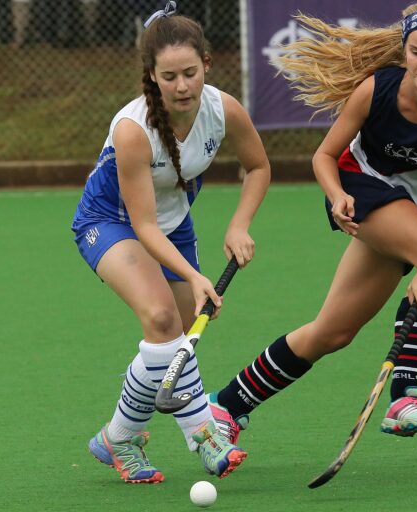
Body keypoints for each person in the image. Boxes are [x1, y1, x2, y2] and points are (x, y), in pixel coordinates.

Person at [206, 1, 417, 448]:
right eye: (416, 52)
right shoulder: (376, 89)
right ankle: (405, 396)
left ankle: (226, 405)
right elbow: (323, 155)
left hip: (408, 207)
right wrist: (337, 196)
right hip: (359, 189)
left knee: (331, 332)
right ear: (404, 49)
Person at [71, 1, 270, 483]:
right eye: (169, 76)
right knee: (161, 319)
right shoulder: (133, 130)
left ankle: (119, 436)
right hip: (111, 221)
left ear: (206, 64)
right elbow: (143, 226)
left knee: (174, 338)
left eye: (190, 73)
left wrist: (238, 225)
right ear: (151, 75)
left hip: (174, 224)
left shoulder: (224, 109)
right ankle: (206, 434)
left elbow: (259, 167)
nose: (182, 86)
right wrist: (197, 275)